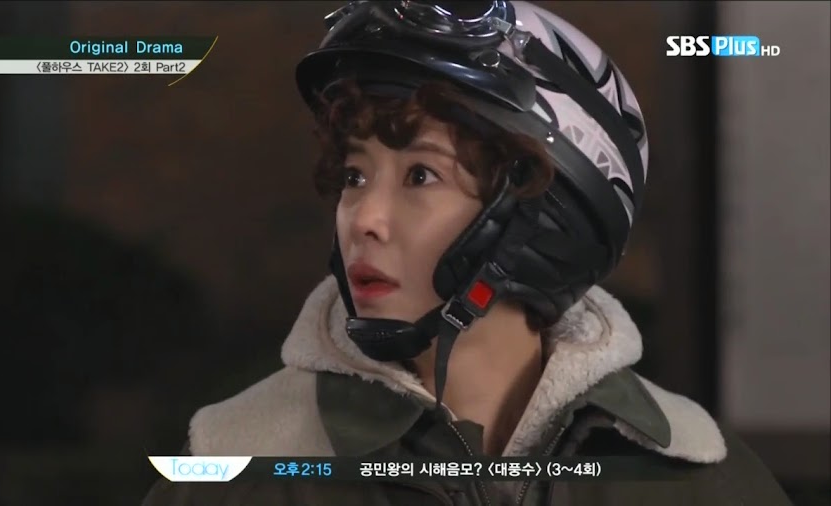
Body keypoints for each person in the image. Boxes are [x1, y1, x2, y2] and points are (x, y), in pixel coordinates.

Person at [143, 1, 793, 505]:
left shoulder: (699, 477)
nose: (363, 219)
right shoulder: (233, 472)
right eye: (355, 175)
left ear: (543, 220)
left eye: (421, 176)